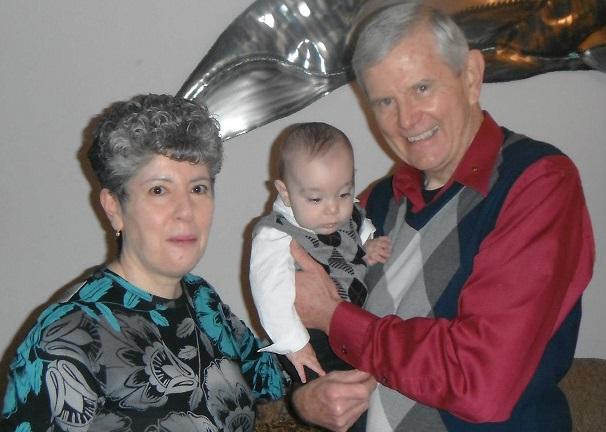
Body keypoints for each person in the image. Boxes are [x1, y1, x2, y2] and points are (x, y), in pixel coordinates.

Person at [290, 2, 595, 431]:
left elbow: (481, 382)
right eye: (385, 101)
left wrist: (335, 317)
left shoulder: (537, 182)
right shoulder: (374, 203)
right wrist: (305, 398)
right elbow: (305, 326)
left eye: (421, 88)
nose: (407, 120)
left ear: (470, 76)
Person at [0, 94, 285, 431]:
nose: (185, 211)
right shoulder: (64, 338)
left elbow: (271, 382)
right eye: (159, 190)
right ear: (114, 208)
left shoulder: (203, 301)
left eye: (198, 189)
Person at [249, 122, 391, 384]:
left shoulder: (345, 214)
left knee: (372, 373)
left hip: (350, 319)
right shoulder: (276, 235)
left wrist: (366, 248)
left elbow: (354, 237)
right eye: (316, 199)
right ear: (286, 193)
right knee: (333, 385)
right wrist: (295, 344)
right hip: (310, 338)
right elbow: (269, 293)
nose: (332, 209)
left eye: (343, 193)